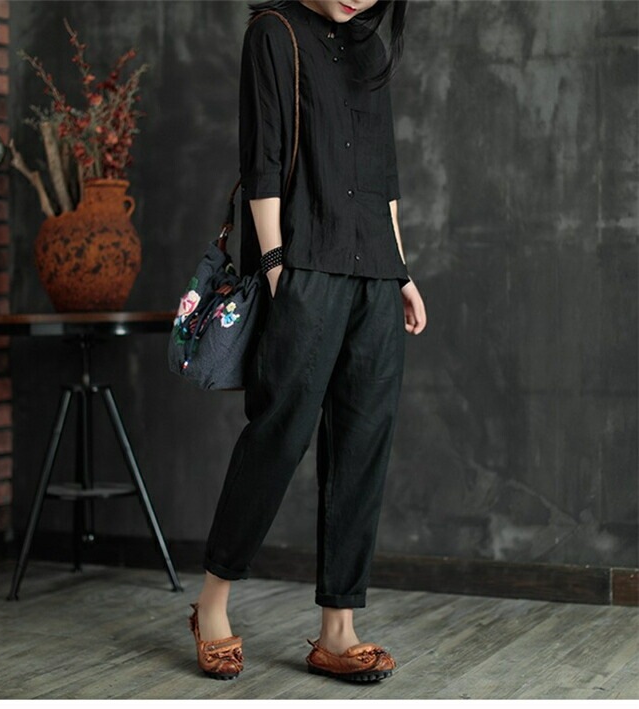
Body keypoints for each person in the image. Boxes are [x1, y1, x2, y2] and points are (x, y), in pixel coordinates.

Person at [187, 0, 427, 682]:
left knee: (361, 445)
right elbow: (262, 161)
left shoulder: (371, 51)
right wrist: (275, 267)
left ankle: (337, 630)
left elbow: (384, 178)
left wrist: (402, 271)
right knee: (278, 435)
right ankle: (212, 603)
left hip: (375, 275)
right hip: (305, 270)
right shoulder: (274, 32)